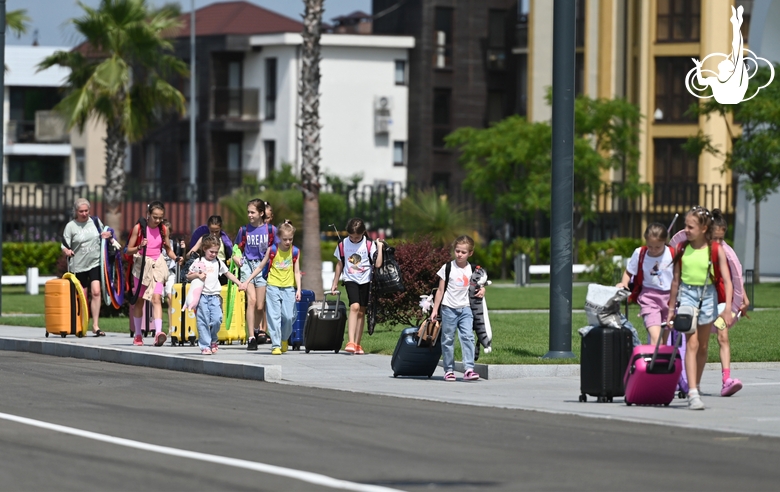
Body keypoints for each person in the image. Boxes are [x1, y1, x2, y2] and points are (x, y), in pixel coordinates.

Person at [668, 206, 733, 410]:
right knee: (692, 343)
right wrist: (671, 309)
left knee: (703, 346)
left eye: (690, 227)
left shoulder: (715, 249)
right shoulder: (681, 249)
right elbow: (675, 281)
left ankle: (696, 383)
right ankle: (693, 392)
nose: (686, 230)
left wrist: (727, 308)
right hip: (687, 295)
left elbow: (727, 281)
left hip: (708, 296)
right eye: (685, 226)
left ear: (704, 228)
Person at [126, 201, 183, 347]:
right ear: (148, 214)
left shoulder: (163, 229)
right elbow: (128, 250)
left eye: (160, 217)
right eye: (155, 217)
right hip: (142, 266)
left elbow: (168, 249)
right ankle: (138, 334)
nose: (157, 220)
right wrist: (139, 247)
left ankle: (158, 333)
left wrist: (176, 258)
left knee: (156, 298)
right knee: (140, 300)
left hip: (158, 265)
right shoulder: (139, 228)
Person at [241, 221, 301, 355]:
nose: (288, 242)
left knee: (289, 316)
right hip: (273, 286)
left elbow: (297, 272)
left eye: (290, 239)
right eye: (285, 239)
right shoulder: (272, 250)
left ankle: (284, 338)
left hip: (288, 288)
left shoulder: (295, 251)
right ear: (279, 237)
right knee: (274, 317)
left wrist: (298, 289)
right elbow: (260, 267)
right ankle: (276, 344)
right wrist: (247, 280)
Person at [430, 235, 483, 382]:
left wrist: (483, 290)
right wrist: (435, 310)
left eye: (463, 252)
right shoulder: (447, 268)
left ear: (470, 253)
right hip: (449, 308)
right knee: (447, 339)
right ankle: (449, 370)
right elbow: (440, 291)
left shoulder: (473, 269)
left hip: (466, 308)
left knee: (468, 337)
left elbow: (480, 286)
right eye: (457, 251)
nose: (459, 254)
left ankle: (469, 369)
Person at [61, 197, 115, 337]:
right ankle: (81, 324)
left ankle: (95, 326)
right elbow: (64, 245)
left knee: (96, 292)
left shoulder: (95, 222)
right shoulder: (71, 226)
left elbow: (105, 234)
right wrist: (67, 251)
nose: (84, 214)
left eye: (86, 211)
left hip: (95, 262)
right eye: (81, 211)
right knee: (82, 296)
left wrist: (107, 235)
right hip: (78, 265)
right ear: (76, 211)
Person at [709, 209, 749, 396]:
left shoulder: (726, 253)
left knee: (722, 336)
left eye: (721, 239)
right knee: (697, 343)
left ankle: (726, 380)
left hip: (722, 303)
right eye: (714, 238)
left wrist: (743, 298)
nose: (718, 243)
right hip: (703, 302)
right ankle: (687, 381)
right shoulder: (699, 251)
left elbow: (735, 279)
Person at [329, 218, 384, 355]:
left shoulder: (369, 244)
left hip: (366, 280)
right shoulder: (343, 244)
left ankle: (358, 344)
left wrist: (380, 247)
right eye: (351, 236)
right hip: (350, 279)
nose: (354, 239)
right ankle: (351, 342)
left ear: (363, 232)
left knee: (361, 311)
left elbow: (377, 264)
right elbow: (340, 264)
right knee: (354, 307)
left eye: (357, 237)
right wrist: (335, 282)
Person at [616, 223, 674, 346]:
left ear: (665, 241)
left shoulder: (672, 254)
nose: (653, 250)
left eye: (657, 247)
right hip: (649, 298)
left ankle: (658, 357)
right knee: (656, 337)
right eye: (650, 246)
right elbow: (629, 272)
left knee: (663, 341)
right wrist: (624, 283)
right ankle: (655, 357)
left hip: (670, 300)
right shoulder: (640, 253)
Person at [233, 199, 277, 350]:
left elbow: (279, 248)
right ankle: (251, 337)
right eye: (248, 212)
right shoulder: (244, 230)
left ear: (261, 213)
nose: (250, 215)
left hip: (263, 268)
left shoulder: (271, 230)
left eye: (253, 212)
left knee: (260, 306)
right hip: (247, 265)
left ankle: (257, 330)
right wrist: (236, 257)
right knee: (251, 300)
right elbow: (236, 248)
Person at [188, 234, 243, 355]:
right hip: (202, 296)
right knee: (203, 321)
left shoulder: (218, 262)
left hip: (215, 296)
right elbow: (188, 275)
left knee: (217, 319)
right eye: (211, 252)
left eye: (216, 252)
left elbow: (228, 274)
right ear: (204, 249)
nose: (213, 254)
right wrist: (197, 275)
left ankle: (213, 339)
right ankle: (205, 346)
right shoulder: (199, 261)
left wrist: (239, 283)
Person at [162, 219, 186, 334]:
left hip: (170, 273)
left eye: (166, 232)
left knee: (171, 299)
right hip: (157, 273)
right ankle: (156, 327)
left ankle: (171, 328)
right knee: (155, 300)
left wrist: (183, 250)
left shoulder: (173, 244)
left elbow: (180, 259)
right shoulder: (157, 243)